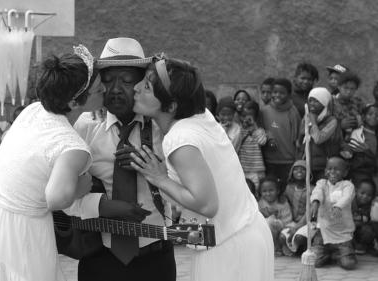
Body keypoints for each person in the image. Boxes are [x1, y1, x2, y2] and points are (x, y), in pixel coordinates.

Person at [0, 45, 106, 281]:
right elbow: (56, 198)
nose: (105, 89)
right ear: (73, 103)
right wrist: (79, 188)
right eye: (98, 88)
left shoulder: (32, 111)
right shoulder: (72, 147)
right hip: (22, 238)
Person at [130, 55, 274, 281]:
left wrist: (159, 178)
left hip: (229, 248)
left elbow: (207, 204)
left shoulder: (180, 139)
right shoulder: (200, 115)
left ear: (172, 106)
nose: (136, 88)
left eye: (146, 86)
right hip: (246, 232)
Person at [72, 38, 176, 281]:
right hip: (99, 255)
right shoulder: (84, 128)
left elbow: (189, 191)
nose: (116, 88)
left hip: (155, 256)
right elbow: (63, 192)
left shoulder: (164, 129)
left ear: (142, 83)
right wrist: (101, 205)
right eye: (107, 81)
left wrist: (152, 170)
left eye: (127, 81)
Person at [310, 156, 357, 270]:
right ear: (325, 170)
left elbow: (347, 197)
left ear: (345, 172)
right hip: (323, 232)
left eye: (337, 169)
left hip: (342, 233)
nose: (332, 171)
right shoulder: (322, 183)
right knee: (314, 262)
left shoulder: (347, 185)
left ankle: (339, 255)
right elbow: (317, 192)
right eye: (329, 168)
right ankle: (330, 255)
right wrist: (315, 201)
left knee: (349, 264)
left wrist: (338, 206)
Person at [261, 78, 301, 188]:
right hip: (269, 160)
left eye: (282, 93)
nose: (277, 95)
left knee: (286, 189)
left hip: (288, 161)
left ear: (289, 94)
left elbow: (297, 139)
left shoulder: (293, 112)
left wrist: (297, 160)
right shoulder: (264, 111)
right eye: (275, 92)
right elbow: (261, 131)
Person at [298, 87, 340, 181]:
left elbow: (318, 139)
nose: (312, 104)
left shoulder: (331, 121)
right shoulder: (307, 116)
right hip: (306, 163)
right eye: (310, 100)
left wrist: (313, 122)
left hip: (322, 167)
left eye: (316, 101)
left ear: (324, 102)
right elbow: (300, 140)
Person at [257, 176, 293, 256]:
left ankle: (280, 246)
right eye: (264, 191)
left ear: (278, 191)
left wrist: (276, 221)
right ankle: (272, 248)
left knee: (271, 222)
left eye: (271, 190)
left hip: (283, 226)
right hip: (265, 230)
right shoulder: (260, 203)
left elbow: (288, 220)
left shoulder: (283, 202)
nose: (268, 193)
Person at [342, 104, 377, 183]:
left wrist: (368, 152)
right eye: (370, 114)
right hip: (356, 171)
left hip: (371, 172)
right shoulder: (356, 132)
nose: (374, 117)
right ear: (363, 117)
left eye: (377, 115)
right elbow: (350, 149)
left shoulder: (375, 135)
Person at [237, 100, 267, 189]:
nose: (246, 119)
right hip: (242, 169)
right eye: (243, 116)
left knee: (255, 194)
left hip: (256, 171)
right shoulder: (239, 130)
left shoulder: (259, 131)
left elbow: (262, 142)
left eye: (249, 116)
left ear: (255, 117)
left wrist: (254, 128)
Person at [333, 71, 365, 143]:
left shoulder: (358, 102)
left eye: (352, 89)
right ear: (339, 87)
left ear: (356, 89)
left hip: (355, 142)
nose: (348, 91)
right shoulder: (331, 103)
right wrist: (339, 125)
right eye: (346, 88)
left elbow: (366, 119)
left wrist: (360, 122)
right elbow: (323, 124)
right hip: (336, 142)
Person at [352, 179, 378, 255]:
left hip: (362, 230)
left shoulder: (371, 205)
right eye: (362, 193)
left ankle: (366, 245)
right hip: (349, 230)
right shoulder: (349, 202)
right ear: (356, 191)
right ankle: (353, 246)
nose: (365, 196)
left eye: (369, 195)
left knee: (369, 230)